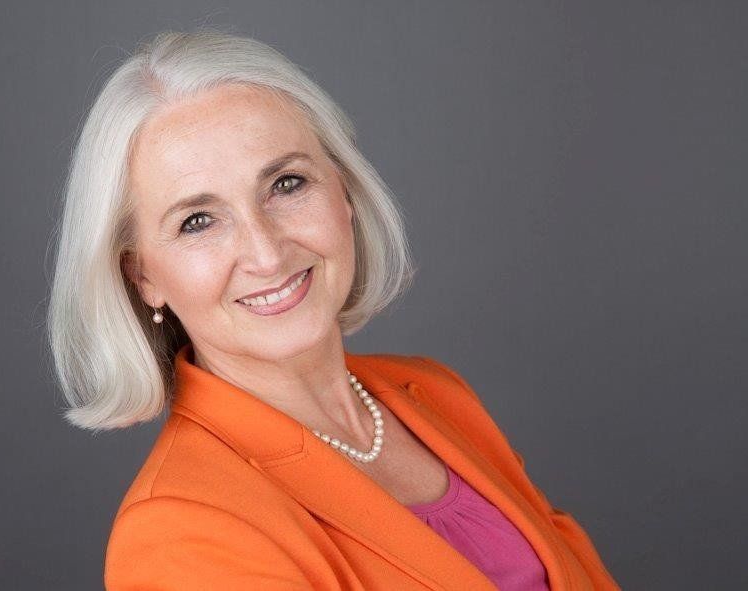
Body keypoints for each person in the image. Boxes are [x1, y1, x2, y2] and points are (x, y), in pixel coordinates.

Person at [46, 28, 620, 590]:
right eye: (198, 221)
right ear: (143, 276)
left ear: (343, 191)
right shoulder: (180, 529)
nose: (267, 253)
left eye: (286, 184)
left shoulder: (439, 395)